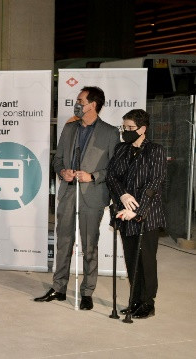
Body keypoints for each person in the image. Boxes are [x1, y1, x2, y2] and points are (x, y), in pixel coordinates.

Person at [35, 86, 119, 310]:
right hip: (68, 192)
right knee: (63, 242)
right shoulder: (70, 128)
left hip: (92, 195)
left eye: (81, 100)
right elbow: (57, 159)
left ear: (93, 104)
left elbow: (115, 168)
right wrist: (63, 172)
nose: (77, 103)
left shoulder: (110, 133)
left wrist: (93, 176)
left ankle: (87, 292)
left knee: (89, 245)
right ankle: (59, 288)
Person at [107, 109, 166, 319]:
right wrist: (122, 196)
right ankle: (135, 300)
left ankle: (148, 303)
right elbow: (111, 176)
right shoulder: (121, 149)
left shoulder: (155, 150)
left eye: (130, 128)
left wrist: (138, 210)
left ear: (142, 129)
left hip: (147, 215)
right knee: (132, 259)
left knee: (146, 260)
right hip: (124, 212)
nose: (126, 131)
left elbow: (154, 182)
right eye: (124, 127)